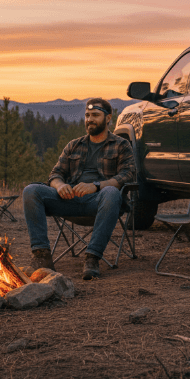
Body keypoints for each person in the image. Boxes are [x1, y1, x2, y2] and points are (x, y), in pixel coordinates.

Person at [22, 98, 135, 280]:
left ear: (108, 119)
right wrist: (60, 186)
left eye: (95, 115)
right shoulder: (74, 145)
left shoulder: (121, 145)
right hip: (70, 200)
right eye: (87, 115)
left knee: (112, 192)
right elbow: (56, 174)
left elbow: (127, 176)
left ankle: (92, 258)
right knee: (31, 190)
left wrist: (96, 186)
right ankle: (42, 257)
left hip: (101, 202)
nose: (90, 119)